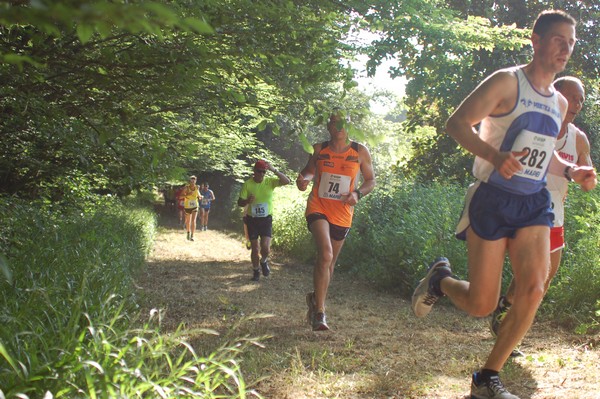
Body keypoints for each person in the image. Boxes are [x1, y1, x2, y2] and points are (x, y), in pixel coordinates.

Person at [410, 10, 596, 399]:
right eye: (559, 39)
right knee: (482, 304)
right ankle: (440, 280)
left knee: (533, 287)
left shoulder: (559, 103)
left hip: (533, 203)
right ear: (537, 39)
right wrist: (495, 157)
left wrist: (572, 169)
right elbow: (456, 124)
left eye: (572, 42)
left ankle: (487, 377)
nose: (566, 48)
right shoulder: (507, 82)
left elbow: (544, 155)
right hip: (492, 198)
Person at [489, 76, 595, 353]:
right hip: (524, 210)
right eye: (574, 97)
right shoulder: (534, 125)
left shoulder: (578, 138)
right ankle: (507, 331)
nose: (578, 104)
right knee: (531, 277)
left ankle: (506, 307)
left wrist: (587, 177)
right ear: (557, 95)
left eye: (582, 100)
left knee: (544, 277)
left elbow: (588, 172)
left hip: (555, 214)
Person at [297, 110, 375, 331]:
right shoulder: (319, 149)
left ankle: (315, 299)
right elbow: (309, 171)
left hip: (342, 212)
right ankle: (320, 313)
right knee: (326, 253)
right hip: (318, 206)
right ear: (328, 127)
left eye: (343, 122)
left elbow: (371, 181)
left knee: (329, 264)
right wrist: (303, 180)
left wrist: (357, 194)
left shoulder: (360, 151)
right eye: (334, 122)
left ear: (349, 125)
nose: (338, 126)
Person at [238, 160, 290, 281]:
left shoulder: (269, 182)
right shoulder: (247, 184)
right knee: (255, 248)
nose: (261, 174)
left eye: (264, 172)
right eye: (259, 171)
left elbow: (287, 181)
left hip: (266, 219)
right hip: (252, 219)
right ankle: (256, 271)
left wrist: (274, 170)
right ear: (254, 171)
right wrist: (247, 201)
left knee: (265, 248)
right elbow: (240, 202)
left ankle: (264, 261)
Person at [182, 176, 202, 241]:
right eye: (191, 180)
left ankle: (192, 235)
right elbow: (181, 196)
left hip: (195, 205)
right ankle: (188, 232)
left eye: (194, 180)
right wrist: (187, 194)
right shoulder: (186, 188)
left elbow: (198, 194)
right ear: (190, 181)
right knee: (188, 221)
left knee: (193, 221)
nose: (193, 182)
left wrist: (200, 196)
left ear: (195, 181)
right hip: (188, 206)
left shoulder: (197, 187)